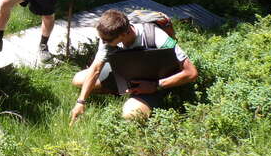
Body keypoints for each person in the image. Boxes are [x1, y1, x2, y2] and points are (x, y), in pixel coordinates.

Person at [69, 9, 198, 121]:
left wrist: (156, 86)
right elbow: (96, 69)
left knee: (130, 114)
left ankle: (150, 99)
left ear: (124, 34)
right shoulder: (108, 37)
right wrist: (81, 102)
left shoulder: (157, 36)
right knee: (78, 80)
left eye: (107, 40)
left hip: (154, 82)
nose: (103, 42)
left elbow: (191, 73)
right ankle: (123, 90)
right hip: (125, 74)